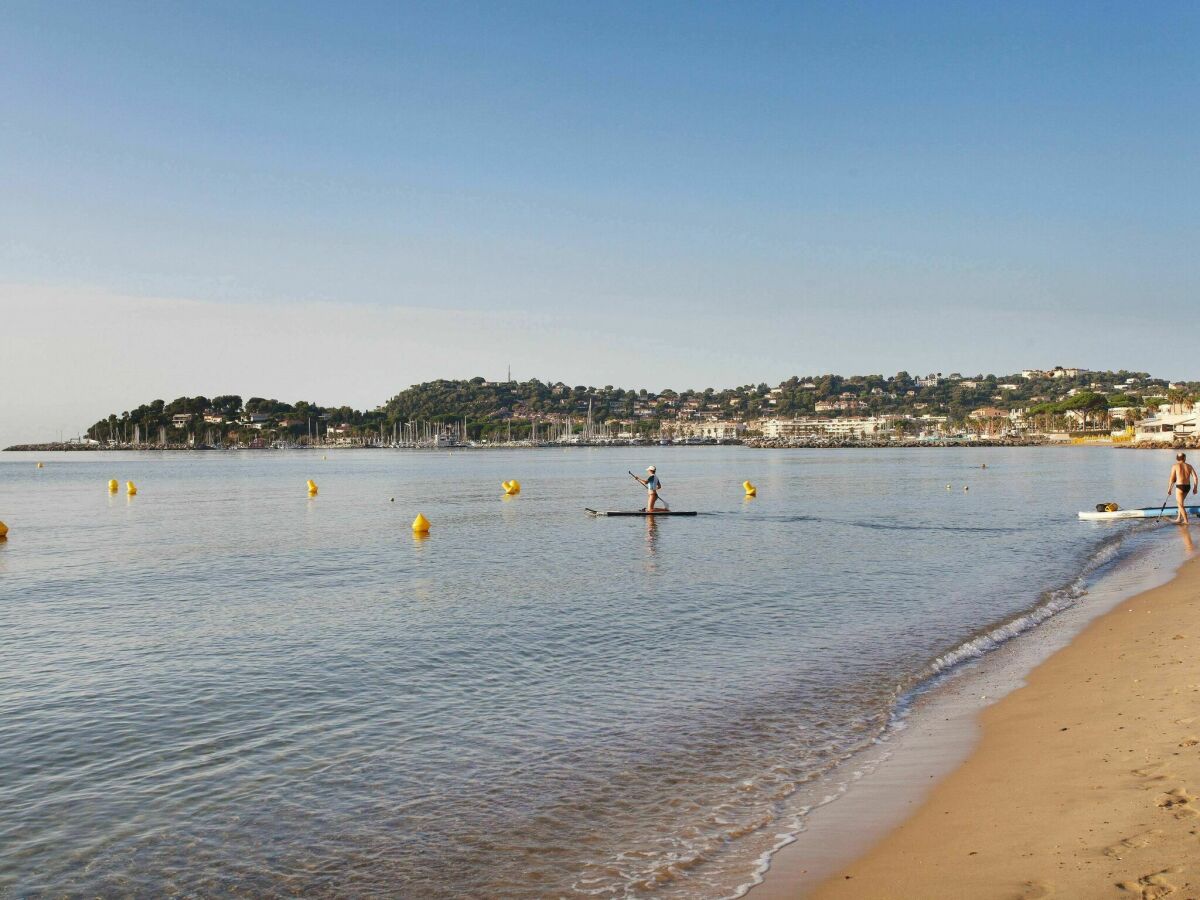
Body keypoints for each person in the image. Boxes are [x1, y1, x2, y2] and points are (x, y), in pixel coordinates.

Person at [1168, 452, 1198, 524]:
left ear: (1177, 458)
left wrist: (1169, 489)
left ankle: (1186, 521)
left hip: (1180, 486)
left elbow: (1171, 479)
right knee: (1181, 503)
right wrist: (1195, 488)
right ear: (1184, 458)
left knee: (1180, 504)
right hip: (1187, 487)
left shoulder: (1175, 466)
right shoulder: (1189, 466)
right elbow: (1195, 478)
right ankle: (1179, 518)